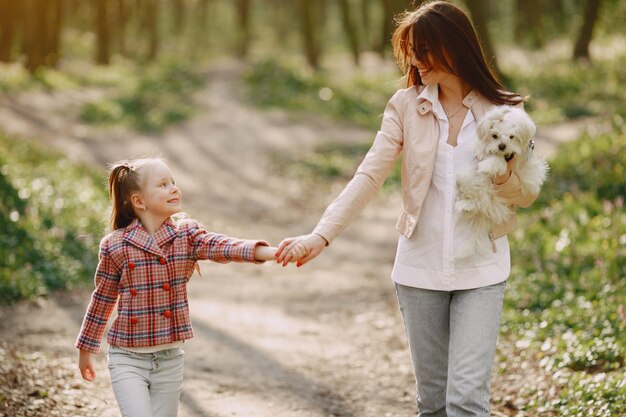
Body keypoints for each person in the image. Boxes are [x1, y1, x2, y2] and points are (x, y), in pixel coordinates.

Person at [276, 2, 539, 416]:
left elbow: (526, 195)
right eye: (412, 50)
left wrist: (505, 175)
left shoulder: (505, 109)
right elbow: (368, 176)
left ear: (456, 46)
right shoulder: (405, 106)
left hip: (482, 269)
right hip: (419, 269)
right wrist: (320, 235)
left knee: (467, 400)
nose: (416, 60)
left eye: (426, 49)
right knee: (432, 404)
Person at [75, 158, 297, 417]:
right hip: (128, 357)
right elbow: (102, 299)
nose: (173, 188)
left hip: (169, 359)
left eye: (174, 182)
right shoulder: (115, 245)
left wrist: (274, 252)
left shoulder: (187, 236)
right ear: (139, 201)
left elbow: (224, 246)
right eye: (163, 184)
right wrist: (85, 348)